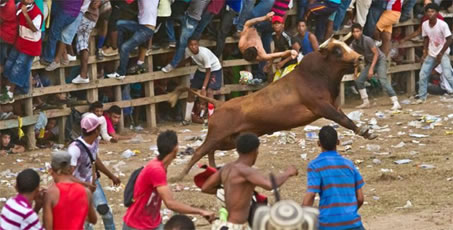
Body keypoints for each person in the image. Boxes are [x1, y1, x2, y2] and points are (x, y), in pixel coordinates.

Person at [201, 133, 298, 229]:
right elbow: (269, 185)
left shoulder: (226, 168)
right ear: (255, 151)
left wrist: (229, 191)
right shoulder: (247, 171)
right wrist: (288, 173)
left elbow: (206, 187)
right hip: (238, 226)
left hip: (228, 224)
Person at [123, 130, 215, 230]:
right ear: (175, 148)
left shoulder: (161, 167)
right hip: (137, 225)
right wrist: (201, 212)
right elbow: (170, 203)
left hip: (152, 223)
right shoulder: (156, 170)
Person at [302, 126, 365, 230]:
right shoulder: (349, 165)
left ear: (318, 143)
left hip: (328, 225)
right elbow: (360, 198)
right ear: (338, 142)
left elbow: (311, 195)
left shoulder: (315, 166)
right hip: (353, 224)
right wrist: (348, 213)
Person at [68, 113, 121, 230]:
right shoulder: (75, 149)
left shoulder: (95, 140)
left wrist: (111, 176)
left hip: (93, 184)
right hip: (79, 189)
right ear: (96, 130)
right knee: (87, 223)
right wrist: (86, 185)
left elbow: (95, 159)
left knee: (106, 212)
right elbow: (68, 176)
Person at [350, 23, 402, 110]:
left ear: (361, 31)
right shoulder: (354, 43)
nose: (356, 33)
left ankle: (395, 102)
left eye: (357, 31)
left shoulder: (367, 40)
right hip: (370, 61)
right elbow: (355, 57)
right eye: (354, 32)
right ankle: (365, 101)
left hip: (379, 60)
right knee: (359, 80)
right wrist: (355, 71)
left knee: (383, 80)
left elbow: (376, 53)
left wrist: (371, 69)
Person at [43, 151, 97, 229]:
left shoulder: (51, 193)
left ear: (51, 170)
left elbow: (48, 227)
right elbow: (93, 220)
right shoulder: (86, 191)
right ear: (71, 169)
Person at [2, 0, 43, 104]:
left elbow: (34, 29)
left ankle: (9, 92)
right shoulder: (19, 5)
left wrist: (25, 14)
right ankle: (12, 88)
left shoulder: (38, 13)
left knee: (19, 66)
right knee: (10, 63)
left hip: (30, 46)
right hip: (21, 41)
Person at [106, 0, 158, 80]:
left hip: (147, 30)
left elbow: (128, 1)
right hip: (140, 26)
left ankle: (121, 73)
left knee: (125, 47)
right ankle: (121, 51)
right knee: (119, 24)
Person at [178, 37, 222, 125]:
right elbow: (191, 58)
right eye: (191, 45)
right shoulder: (188, 51)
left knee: (209, 92)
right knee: (191, 91)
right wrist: (178, 64)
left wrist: (203, 88)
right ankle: (187, 119)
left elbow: (208, 71)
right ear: (188, 46)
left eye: (195, 45)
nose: (193, 47)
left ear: (198, 45)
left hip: (214, 70)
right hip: (201, 70)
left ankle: (211, 119)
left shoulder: (204, 54)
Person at [416, 3, 453, 103]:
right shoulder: (425, 24)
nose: (430, 14)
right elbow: (426, 38)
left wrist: (441, 53)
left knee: (448, 75)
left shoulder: (442, 24)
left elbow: (449, 39)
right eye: (428, 12)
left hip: (443, 52)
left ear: (437, 13)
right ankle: (422, 97)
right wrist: (425, 51)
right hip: (432, 52)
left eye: (432, 11)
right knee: (423, 74)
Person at [161, 0, 211, 73]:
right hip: (187, 15)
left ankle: (173, 64)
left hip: (192, 19)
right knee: (168, 18)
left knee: (182, 43)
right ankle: (172, 41)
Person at [40, 0, 82, 69]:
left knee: (54, 33)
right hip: (74, 12)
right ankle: (61, 54)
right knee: (56, 31)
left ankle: (48, 58)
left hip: (66, 11)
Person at [72, 0, 101, 84]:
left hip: (87, 17)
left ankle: (83, 74)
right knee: (83, 44)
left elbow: (95, 4)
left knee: (65, 30)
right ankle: (83, 74)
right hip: (91, 18)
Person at [269, 17, 299, 82]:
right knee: (275, 81)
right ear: (272, 25)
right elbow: (277, 49)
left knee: (284, 81)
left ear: (283, 25)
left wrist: (283, 62)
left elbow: (296, 51)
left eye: (278, 23)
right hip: (284, 62)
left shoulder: (287, 36)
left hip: (292, 62)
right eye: (275, 23)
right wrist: (270, 62)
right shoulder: (273, 36)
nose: (276, 25)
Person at [0, 0, 18, 74]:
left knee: (2, 62)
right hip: (7, 34)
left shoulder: (9, 7)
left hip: (6, 36)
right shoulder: (8, 2)